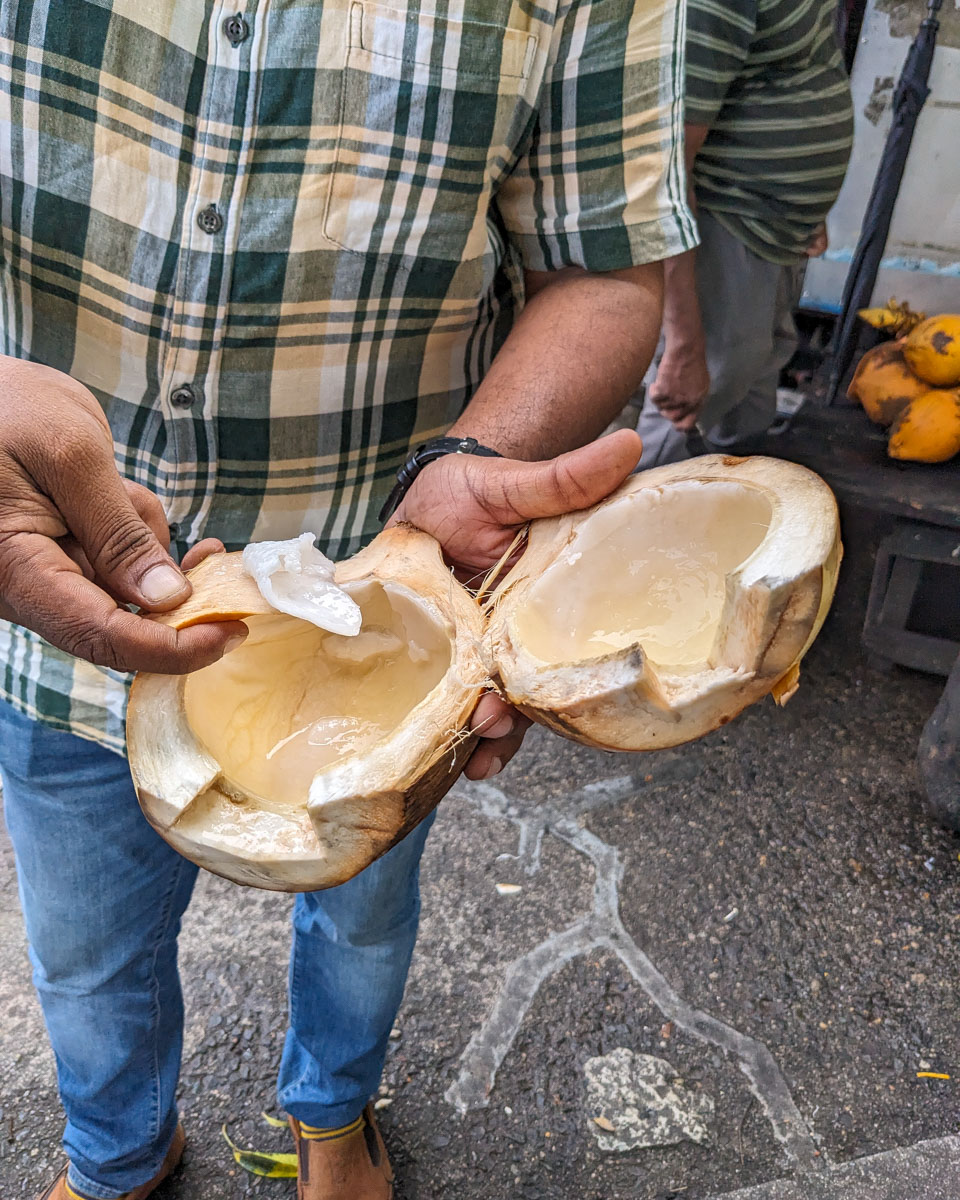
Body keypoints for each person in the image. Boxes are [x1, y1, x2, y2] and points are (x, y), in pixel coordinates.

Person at [0, 4, 694, 1199]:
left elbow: (606, 268)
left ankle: (334, 1111)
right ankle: (114, 1155)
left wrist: (486, 447)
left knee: (364, 917)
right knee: (85, 954)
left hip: (398, 605)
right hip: (43, 591)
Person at [635, 0, 854, 467]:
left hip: (773, 230)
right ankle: (620, 526)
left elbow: (791, 71)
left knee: (753, 379)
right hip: (724, 222)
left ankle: (733, 496)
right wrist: (684, 343)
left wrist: (804, 203)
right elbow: (666, 167)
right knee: (695, 392)